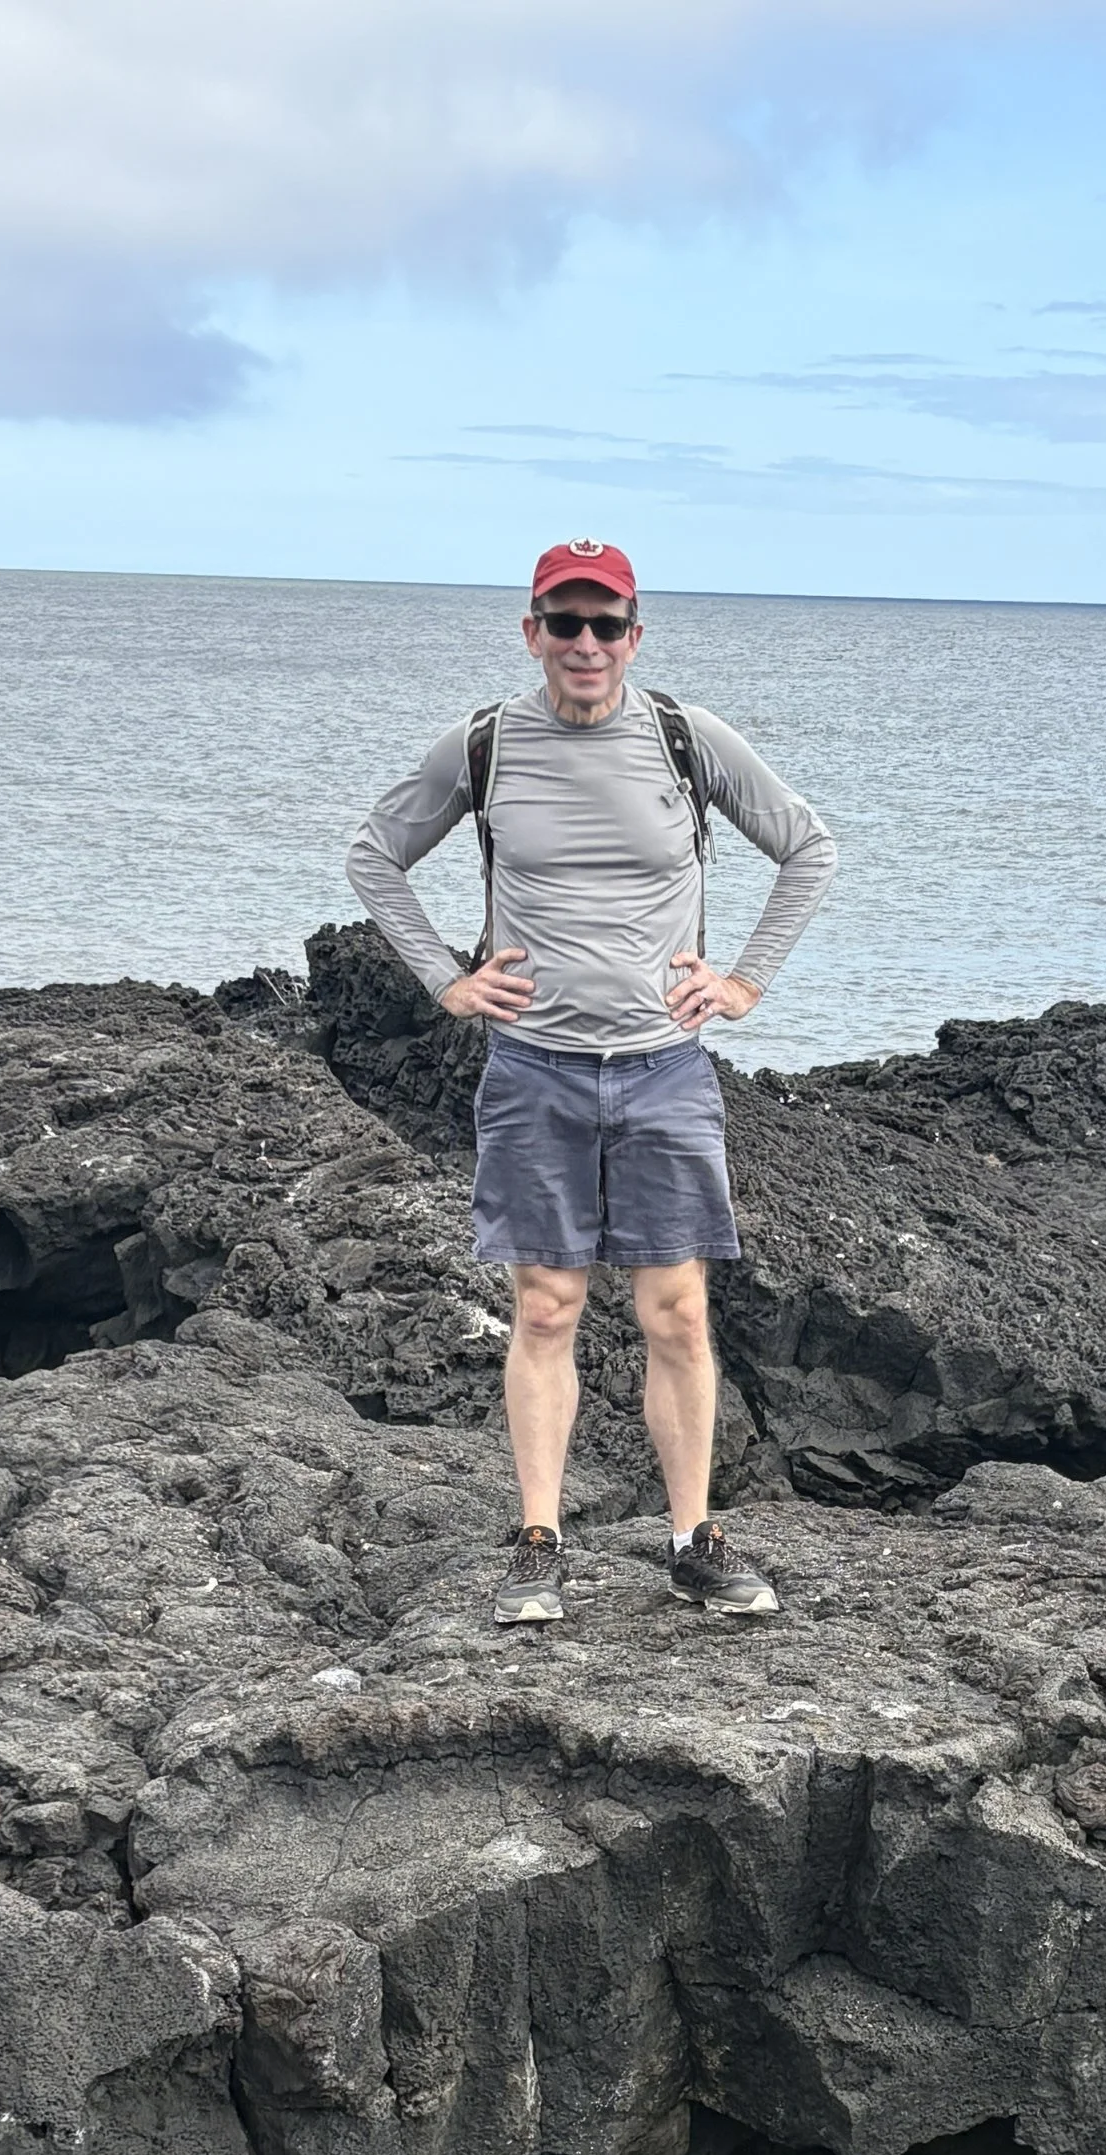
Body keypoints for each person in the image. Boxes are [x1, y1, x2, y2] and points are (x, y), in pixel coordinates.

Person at [347, 538, 837, 1625]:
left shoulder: (684, 739)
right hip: (534, 1073)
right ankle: (539, 1542)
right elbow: (375, 856)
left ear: (633, 635)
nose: (584, 643)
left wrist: (745, 981)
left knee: (677, 1311)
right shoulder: (484, 745)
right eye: (563, 622)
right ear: (531, 632)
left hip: (665, 1071)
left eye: (604, 623)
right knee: (546, 1306)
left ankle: (692, 1539)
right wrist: (445, 979)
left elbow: (807, 848)